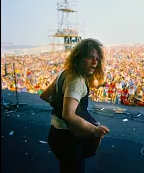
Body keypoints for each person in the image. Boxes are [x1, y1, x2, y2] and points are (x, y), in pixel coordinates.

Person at [40, 38, 110, 173]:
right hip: (69, 139)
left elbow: (45, 96)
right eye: (90, 57)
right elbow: (68, 115)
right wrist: (94, 130)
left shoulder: (64, 73)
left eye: (97, 58)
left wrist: (62, 105)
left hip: (55, 134)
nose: (95, 61)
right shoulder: (76, 80)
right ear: (79, 58)